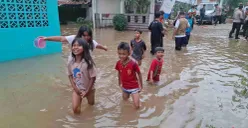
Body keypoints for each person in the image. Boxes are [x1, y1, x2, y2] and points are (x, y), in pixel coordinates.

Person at [67, 38, 97, 114]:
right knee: (75, 109)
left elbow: (93, 78)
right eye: (74, 45)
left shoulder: (88, 62)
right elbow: (70, 75)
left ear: (84, 48)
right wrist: (75, 88)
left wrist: (87, 91)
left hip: (89, 89)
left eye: (79, 45)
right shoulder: (70, 62)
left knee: (91, 105)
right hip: (77, 89)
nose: (75, 47)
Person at [115, 42, 143, 109]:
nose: (121, 56)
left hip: (134, 87)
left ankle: (139, 103)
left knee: (137, 106)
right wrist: (119, 83)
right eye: (119, 54)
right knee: (125, 102)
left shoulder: (133, 63)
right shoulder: (118, 63)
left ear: (129, 53)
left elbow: (139, 73)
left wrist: (141, 86)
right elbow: (119, 72)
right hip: (125, 87)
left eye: (124, 54)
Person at [40, 26, 108, 53]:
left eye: (88, 36)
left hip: (86, 64)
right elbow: (61, 38)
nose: (86, 38)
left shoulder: (91, 42)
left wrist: (104, 48)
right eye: (84, 36)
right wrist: (47, 38)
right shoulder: (74, 38)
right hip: (74, 63)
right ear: (80, 34)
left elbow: (98, 45)